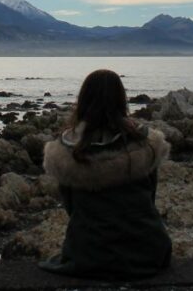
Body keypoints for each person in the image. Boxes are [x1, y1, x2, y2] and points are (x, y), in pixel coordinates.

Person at [39, 69, 172, 280]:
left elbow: (72, 208)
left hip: (88, 255)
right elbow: (150, 199)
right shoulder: (146, 145)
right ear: (122, 99)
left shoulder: (66, 152)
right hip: (147, 252)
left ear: (83, 99)